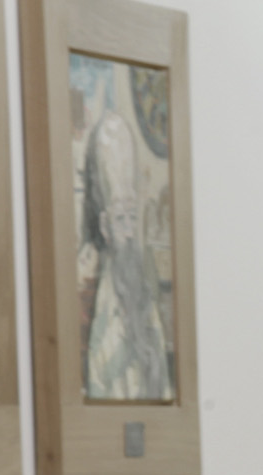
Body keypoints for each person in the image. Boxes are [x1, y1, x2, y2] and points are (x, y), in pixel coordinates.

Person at [78, 110, 173, 401]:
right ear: (104, 225)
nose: (130, 232)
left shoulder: (142, 279)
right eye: (121, 219)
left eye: (133, 217)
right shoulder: (93, 281)